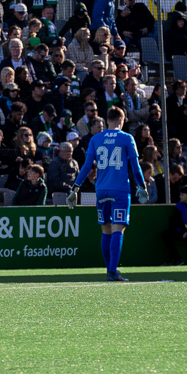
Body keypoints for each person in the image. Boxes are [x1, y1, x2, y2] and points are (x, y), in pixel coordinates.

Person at [74, 106, 145, 281]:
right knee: (118, 229)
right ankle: (112, 271)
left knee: (105, 229)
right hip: (120, 190)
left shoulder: (96, 138)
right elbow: (135, 166)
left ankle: (110, 271)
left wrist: (75, 187)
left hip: (101, 190)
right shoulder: (127, 138)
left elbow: (87, 166)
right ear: (121, 120)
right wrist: (142, 185)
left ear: (107, 121)